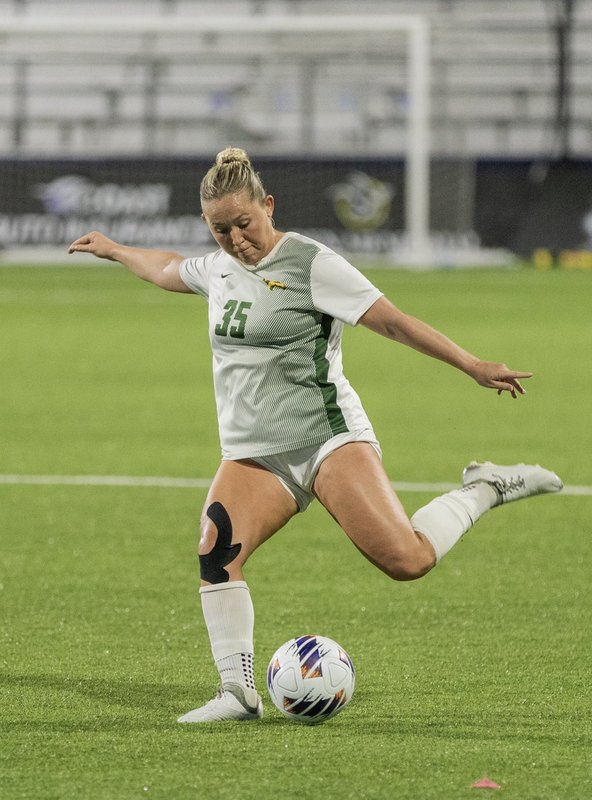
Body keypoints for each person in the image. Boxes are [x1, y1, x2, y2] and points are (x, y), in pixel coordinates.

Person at [68, 147, 562, 723]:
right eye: (219, 229)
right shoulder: (219, 269)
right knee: (217, 550)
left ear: (268, 206)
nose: (234, 239)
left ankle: (485, 487)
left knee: (407, 561)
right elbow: (167, 267)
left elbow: (395, 322)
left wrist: (474, 365)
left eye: (244, 224)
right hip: (255, 454)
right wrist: (115, 250)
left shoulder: (311, 263)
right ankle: (239, 694)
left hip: (327, 439)